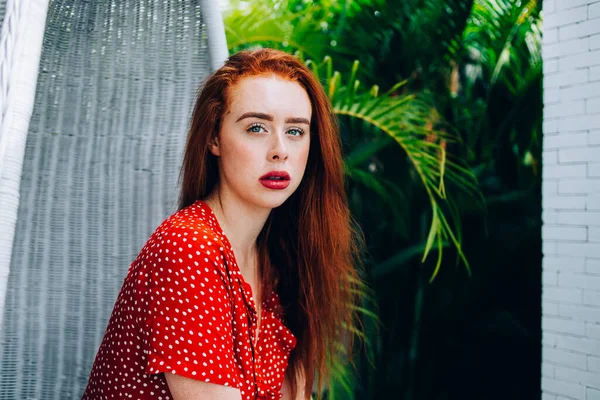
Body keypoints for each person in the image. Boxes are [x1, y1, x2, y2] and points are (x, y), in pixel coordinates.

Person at [81, 48, 363, 400]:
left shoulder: (278, 262)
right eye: (256, 127)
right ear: (214, 138)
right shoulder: (188, 248)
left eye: (295, 131)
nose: (280, 150)